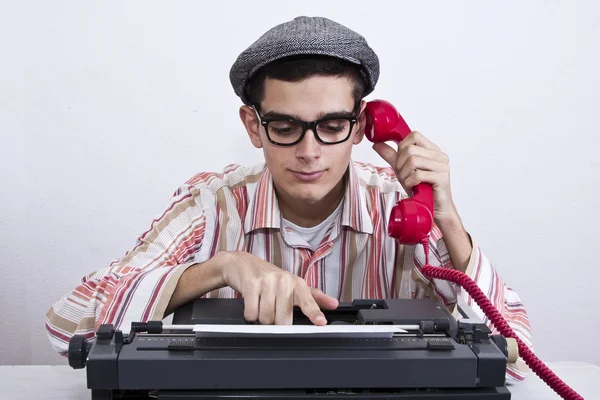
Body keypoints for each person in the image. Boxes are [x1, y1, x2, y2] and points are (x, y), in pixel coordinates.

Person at [46, 16, 532, 382]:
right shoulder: (212, 205)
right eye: (284, 127)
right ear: (253, 127)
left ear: (362, 125)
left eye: (332, 126)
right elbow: (66, 326)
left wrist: (447, 219)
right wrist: (219, 268)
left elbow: (516, 360)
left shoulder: (400, 207)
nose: (308, 151)